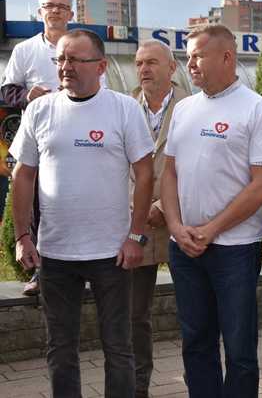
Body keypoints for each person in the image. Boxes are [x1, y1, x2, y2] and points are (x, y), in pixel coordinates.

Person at [9, 29, 154, 398]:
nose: (65, 67)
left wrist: (135, 236)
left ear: (102, 66)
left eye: (75, 59)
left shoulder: (124, 108)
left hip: (112, 254)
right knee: (60, 349)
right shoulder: (40, 110)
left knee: (118, 347)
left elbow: (145, 172)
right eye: (60, 59)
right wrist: (22, 236)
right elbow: (23, 174)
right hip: (55, 254)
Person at [160, 24, 262, 398]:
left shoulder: (257, 110)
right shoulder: (183, 109)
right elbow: (169, 173)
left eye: (197, 55)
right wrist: (177, 226)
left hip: (235, 250)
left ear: (227, 57)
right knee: (195, 342)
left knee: (240, 348)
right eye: (187, 56)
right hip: (184, 248)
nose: (189, 63)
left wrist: (211, 229)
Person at [1, 0, 74, 296]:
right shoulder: (25, 50)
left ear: (71, 14)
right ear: (39, 12)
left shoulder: (83, 46)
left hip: (79, 137)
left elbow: (103, 85)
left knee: (77, 203)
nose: (54, 11)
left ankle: (81, 269)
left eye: (61, 6)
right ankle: (40, 273)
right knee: (39, 205)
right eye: (49, 6)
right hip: (41, 139)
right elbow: (6, 92)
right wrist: (27, 95)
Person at [130, 39, 188, 398]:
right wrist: (138, 211)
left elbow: (202, 167)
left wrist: (164, 208)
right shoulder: (123, 107)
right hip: (137, 222)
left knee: (196, 312)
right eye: (138, 63)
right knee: (134, 315)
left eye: (152, 62)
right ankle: (137, 386)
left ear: (172, 68)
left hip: (184, 219)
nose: (144, 69)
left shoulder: (193, 107)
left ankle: (202, 381)